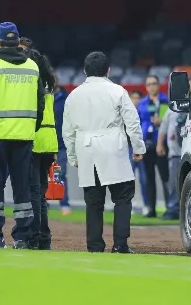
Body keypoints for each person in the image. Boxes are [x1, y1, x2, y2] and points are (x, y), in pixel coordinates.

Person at [63, 51, 146, 253]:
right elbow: (132, 122)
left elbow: (68, 130)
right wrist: (138, 147)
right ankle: (120, 244)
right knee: (123, 197)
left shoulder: (73, 95)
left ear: (85, 71)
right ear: (108, 70)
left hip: (87, 148)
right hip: (113, 146)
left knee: (93, 201)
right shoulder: (117, 91)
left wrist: (73, 155)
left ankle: (94, 245)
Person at [0, 22, 44, 249]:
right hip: (24, 135)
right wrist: (31, 127)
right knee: (22, 186)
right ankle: (23, 237)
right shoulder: (33, 66)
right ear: (17, 41)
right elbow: (40, 103)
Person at [27, 53, 58, 250]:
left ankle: (35, 236)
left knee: (33, 192)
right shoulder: (49, 87)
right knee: (40, 192)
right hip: (49, 141)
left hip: (34, 140)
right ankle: (44, 237)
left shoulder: (31, 88)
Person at [137, 75, 169, 218]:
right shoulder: (143, 103)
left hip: (161, 143)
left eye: (154, 83)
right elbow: (137, 123)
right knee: (148, 178)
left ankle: (170, 207)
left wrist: (161, 121)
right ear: (146, 86)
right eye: (149, 84)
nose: (152, 86)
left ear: (159, 85)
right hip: (146, 144)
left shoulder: (165, 101)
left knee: (165, 177)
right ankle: (151, 209)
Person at [155, 107, 181, 220]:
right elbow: (163, 128)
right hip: (175, 153)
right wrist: (160, 144)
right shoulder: (173, 109)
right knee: (173, 183)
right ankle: (173, 209)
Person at [52, 74, 70, 215]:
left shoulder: (66, 98)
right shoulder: (43, 97)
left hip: (61, 143)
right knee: (43, 175)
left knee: (60, 173)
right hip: (45, 142)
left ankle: (64, 203)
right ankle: (43, 202)